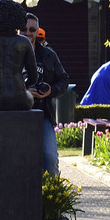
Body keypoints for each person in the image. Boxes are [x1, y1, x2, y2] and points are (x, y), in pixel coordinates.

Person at [23, 14, 69, 176]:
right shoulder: (8, 55)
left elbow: (64, 79)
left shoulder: (48, 55)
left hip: (43, 114)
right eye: (24, 29)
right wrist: (23, 92)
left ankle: (53, 197)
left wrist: (51, 90)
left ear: (37, 31)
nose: (27, 33)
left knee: (50, 158)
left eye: (32, 29)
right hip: (16, 116)